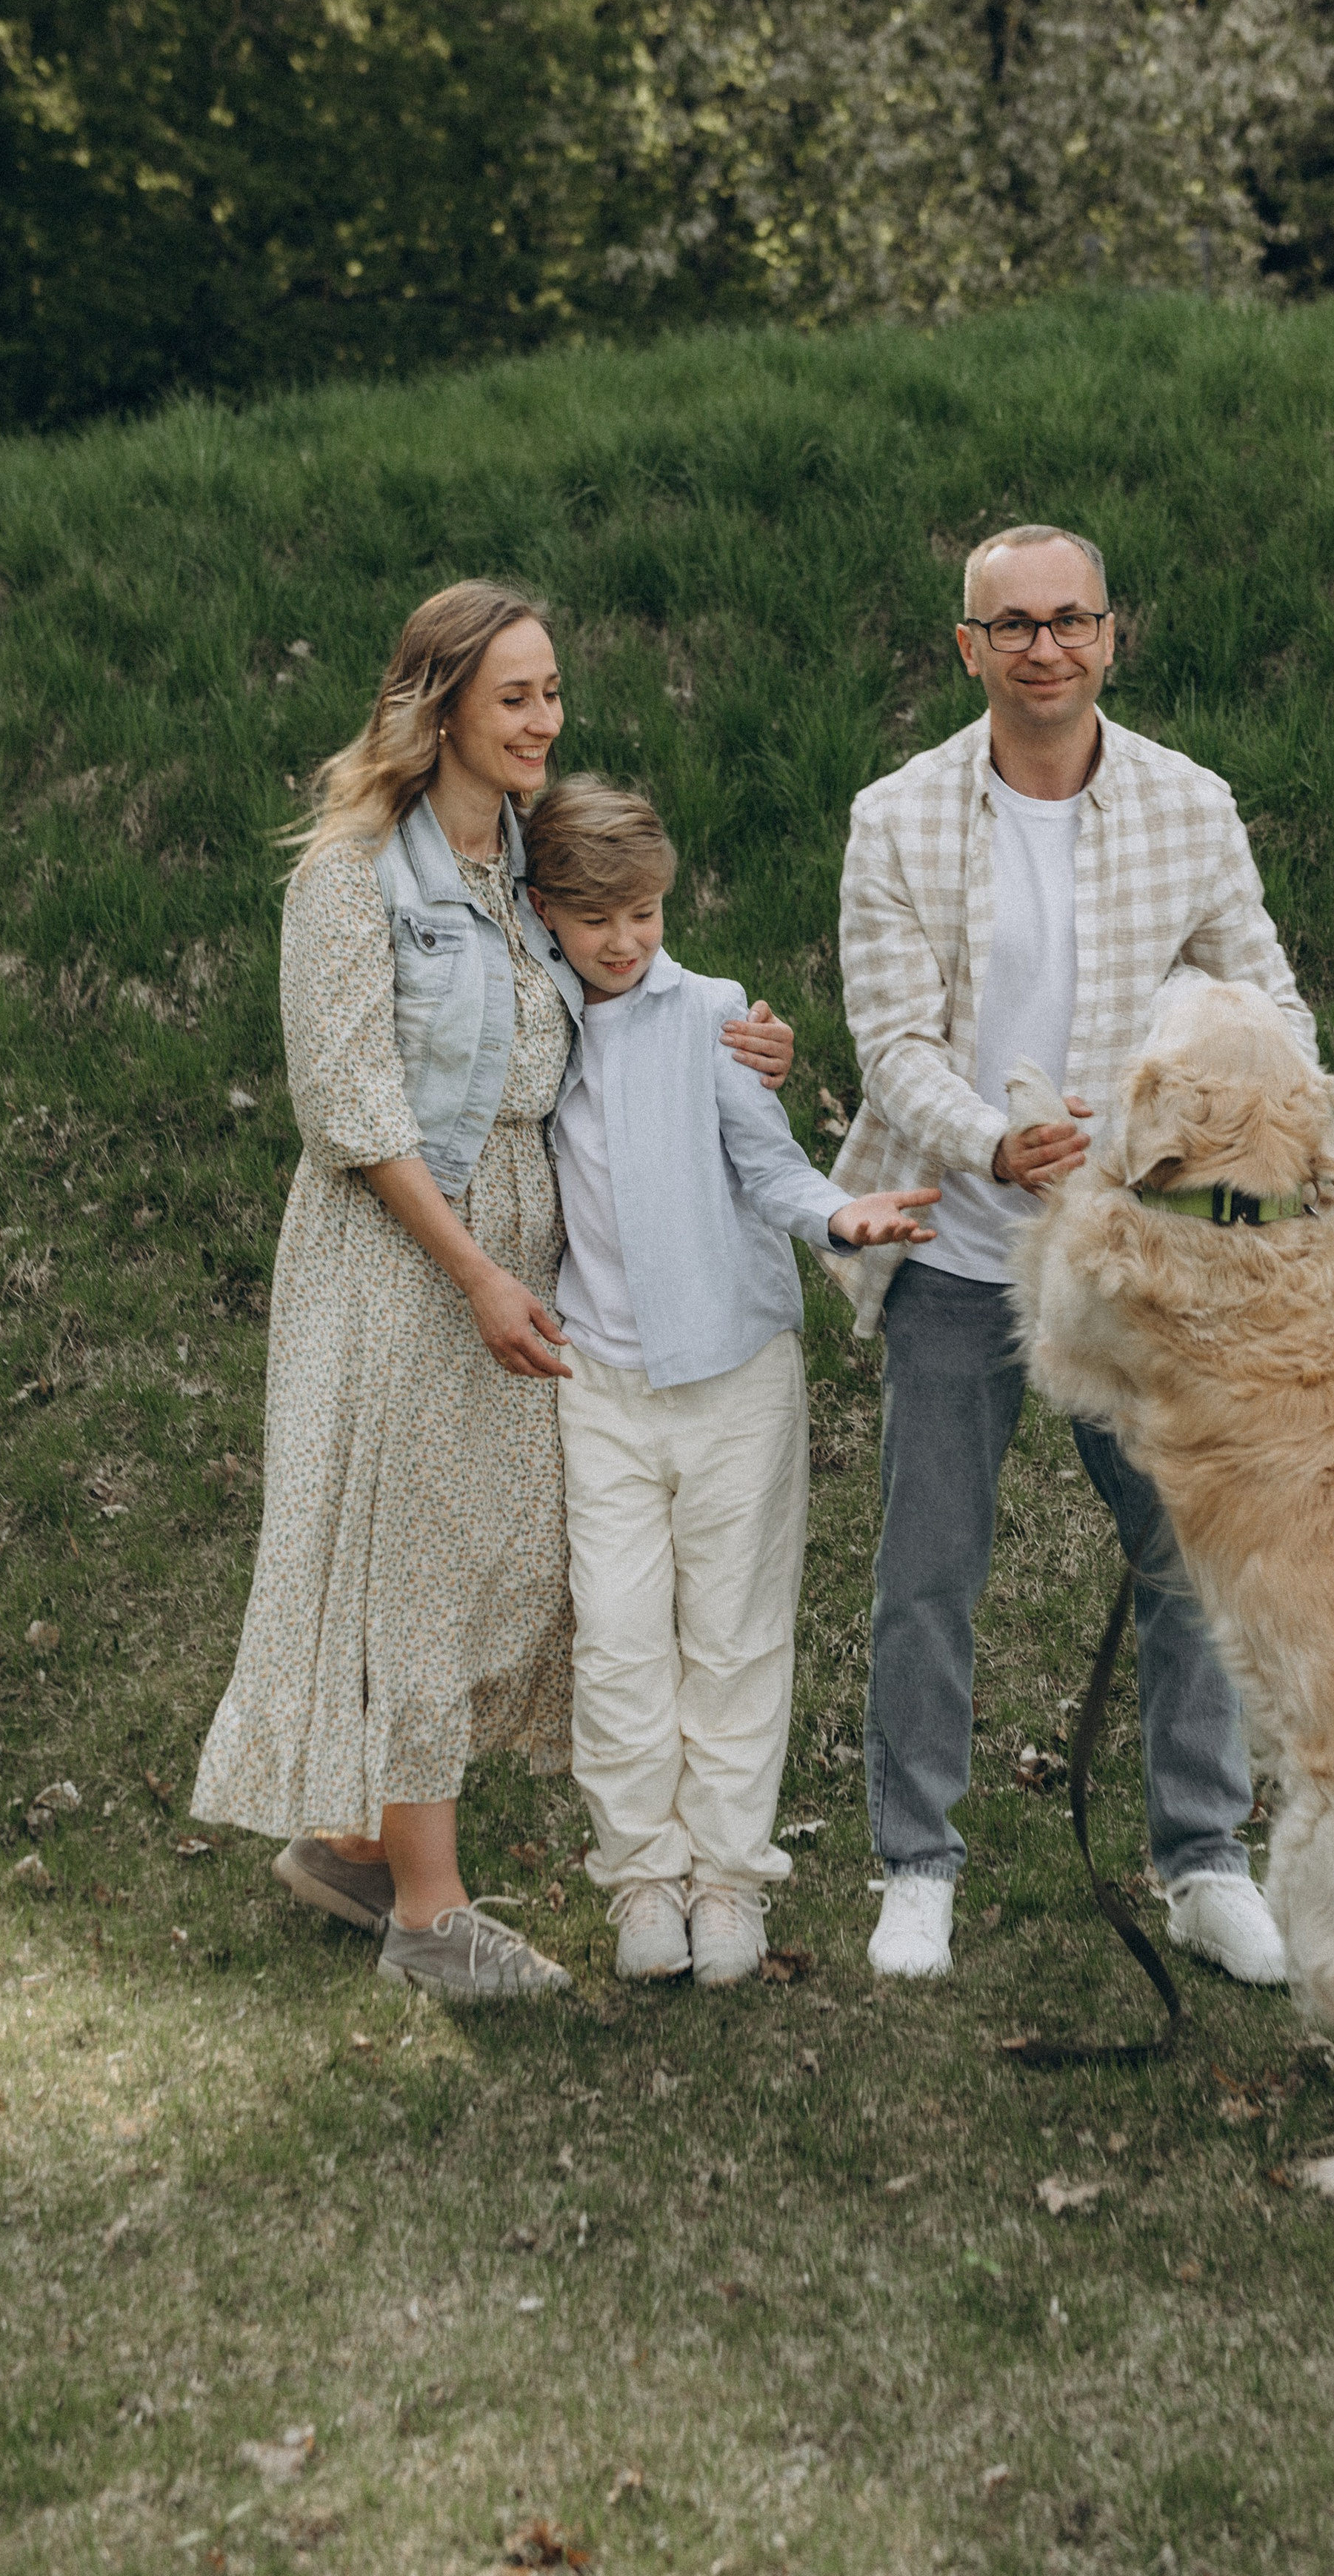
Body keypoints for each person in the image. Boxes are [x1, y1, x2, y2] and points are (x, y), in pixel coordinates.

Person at [190, 582, 794, 2001]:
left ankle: (351, 1843)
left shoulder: (529, 860)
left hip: (526, 1245)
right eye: (515, 696)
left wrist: (737, 1033)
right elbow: (347, 1103)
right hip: (406, 1251)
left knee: (497, 1566)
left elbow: (634, 959)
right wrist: (469, 1272)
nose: (544, 720)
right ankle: (429, 1917)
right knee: (409, 1567)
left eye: (554, 693)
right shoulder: (355, 871)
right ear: (441, 701)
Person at [829, 523, 1319, 1983]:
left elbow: (1275, 1014)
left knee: (1186, 1563)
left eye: (1070, 619)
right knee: (926, 1574)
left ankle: (1202, 1859)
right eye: (1012, 625)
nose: (1044, 645)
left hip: (1135, 1254)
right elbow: (892, 1042)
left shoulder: (1187, 801)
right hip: (959, 1242)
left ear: (1110, 634)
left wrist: (1177, 1113)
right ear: (966, 647)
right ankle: (914, 1864)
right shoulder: (897, 815)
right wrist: (989, 1139)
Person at [522, 776, 938, 1988]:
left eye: (645, 913)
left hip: (736, 1379)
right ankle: (641, 1880)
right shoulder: (532, 1025)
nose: (626, 940)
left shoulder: (709, 1015)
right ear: (546, 911)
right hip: (598, 1383)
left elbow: (773, 1170)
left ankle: (727, 1881)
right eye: (598, 919)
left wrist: (840, 1219)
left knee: (736, 1638)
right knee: (616, 1641)